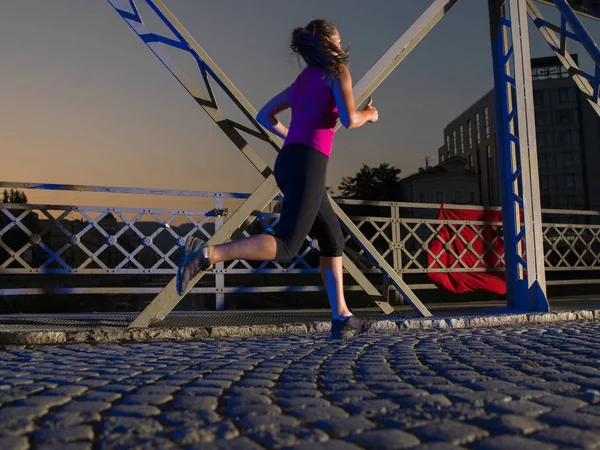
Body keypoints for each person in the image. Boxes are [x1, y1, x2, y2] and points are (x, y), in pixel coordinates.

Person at [177, 19, 379, 338]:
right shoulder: (337, 70)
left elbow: (264, 116)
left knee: (333, 239)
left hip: (289, 161)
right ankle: (207, 254)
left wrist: (291, 137)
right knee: (286, 245)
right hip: (309, 164)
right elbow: (348, 118)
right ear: (325, 43)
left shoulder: (303, 79)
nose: (341, 48)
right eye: (337, 41)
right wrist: (369, 115)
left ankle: (342, 317)